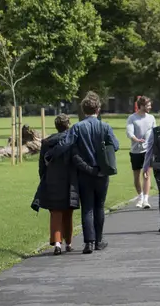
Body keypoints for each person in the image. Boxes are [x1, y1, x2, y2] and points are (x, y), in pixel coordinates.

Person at [50, 91, 119, 254]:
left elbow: (65, 144)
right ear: (98, 109)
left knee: (87, 207)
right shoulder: (105, 126)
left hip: (84, 172)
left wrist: (51, 155)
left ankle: (89, 242)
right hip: (102, 172)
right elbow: (115, 145)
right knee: (99, 207)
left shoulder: (78, 127)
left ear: (83, 110)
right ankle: (99, 240)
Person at [37, 114, 80, 255]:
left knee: (55, 212)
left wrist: (44, 178)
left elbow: (41, 166)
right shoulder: (72, 140)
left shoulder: (46, 142)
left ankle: (56, 243)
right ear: (68, 125)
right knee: (68, 212)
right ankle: (68, 242)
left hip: (52, 179)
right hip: (69, 180)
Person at [126, 96, 156, 209]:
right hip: (135, 151)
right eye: (148, 105)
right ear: (142, 106)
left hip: (147, 151)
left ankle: (146, 200)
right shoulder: (132, 118)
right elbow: (129, 132)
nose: (150, 107)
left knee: (147, 175)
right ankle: (140, 196)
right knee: (137, 176)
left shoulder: (151, 118)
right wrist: (136, 139)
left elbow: (154, 132)